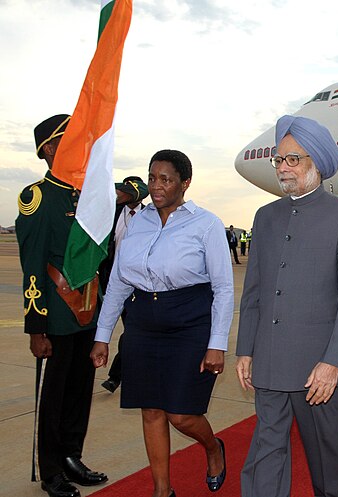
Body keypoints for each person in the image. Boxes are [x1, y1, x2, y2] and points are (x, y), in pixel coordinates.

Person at [236, 115, 338, 497]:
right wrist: (246, 349)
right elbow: (255, 292)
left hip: (318, 371)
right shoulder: (265, 217)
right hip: (271, 361)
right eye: (279, 160)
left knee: (328, 464)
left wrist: (331, 362)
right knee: (266, 455)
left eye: (293, 159)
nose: (283, 168)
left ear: (317, 163)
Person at [90, 149, 234, 497]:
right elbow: (119, 283)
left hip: (189, 323)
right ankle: (161, 490)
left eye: (166, 179)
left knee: (181, 414)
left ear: (184, 183)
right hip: (143, 324)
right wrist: (103, 335)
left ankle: (213, 448)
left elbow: (223, 287)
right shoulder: (138, 222)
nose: (156, 186)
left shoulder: (206, 224)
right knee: (152, 409)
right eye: (153, 178)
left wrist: (217, 344)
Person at [16, 114, 108, 497]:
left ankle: (73, 456)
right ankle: (52, 469)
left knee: (79, 391)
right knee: (54, 397)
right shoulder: (37, 197)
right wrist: (37, 329)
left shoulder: (85, 196)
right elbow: (33, 265)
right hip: (55, 314)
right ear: (50, 149)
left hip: (88, 312)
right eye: (70, 139)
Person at [98, 176, 149, 394]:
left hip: (137, 285)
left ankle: (115, 377)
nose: (119, 194)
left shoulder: (151, 215)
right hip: (110, 281)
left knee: (131, 332)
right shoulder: (112, 214)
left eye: (124, 191)